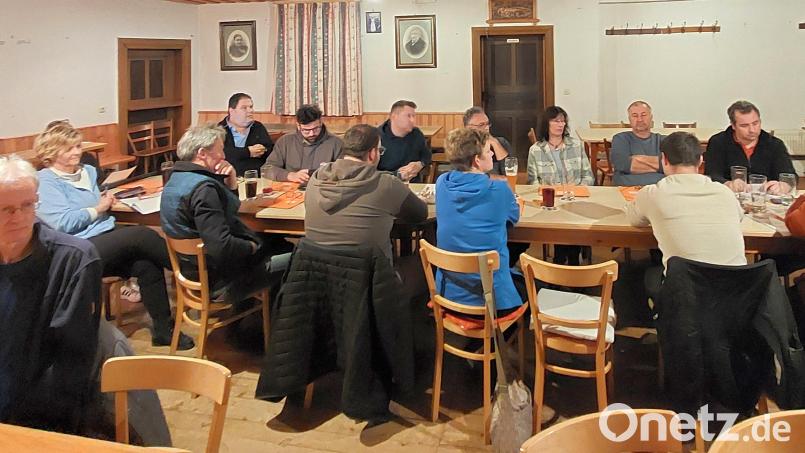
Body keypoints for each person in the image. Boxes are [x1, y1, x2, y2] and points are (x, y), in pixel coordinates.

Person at [34, 122, 193, 350]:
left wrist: (108, 202)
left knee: (144, 263)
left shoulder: (87, 172)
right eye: (69, 149)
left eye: (78, 146)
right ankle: (195, 271)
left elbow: (96, 204)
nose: (77, 152)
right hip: (76, 248)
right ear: (51, 152)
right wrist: (98, 208)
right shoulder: (45, 181)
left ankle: (163, 330)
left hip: (105, 235)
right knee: (141, 235)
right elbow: (63, 223)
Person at [0, 155, 101, 433]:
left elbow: (70, 363)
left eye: (28, 205)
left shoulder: (74, 259)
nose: (19, 218)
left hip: (38, 414)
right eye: (6, 209)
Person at [160, 124, 291, 304]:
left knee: (274, 242)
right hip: (219, 283)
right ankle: (272, 322)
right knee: (294, 256)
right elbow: (221, 246)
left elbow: (226, 215)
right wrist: (252, 246)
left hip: (192, 272)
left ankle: (253, 312)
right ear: (202, 153)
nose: (223, 156)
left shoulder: (175, 179)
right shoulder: (203, 189)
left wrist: (231, 183)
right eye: (220, 151)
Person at [305, 124, 429, 299]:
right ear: (372, 154)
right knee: (425, 260)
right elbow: (420, 214)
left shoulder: (316, 178)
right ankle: (408, 321)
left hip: (320, 280)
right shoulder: (386, 184)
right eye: (380, 150)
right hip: (373, 283)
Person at [626, 132, 746, 299]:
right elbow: (739, 217)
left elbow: (633, 219)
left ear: (664, 160)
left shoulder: (654, 193)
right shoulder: (724, 192)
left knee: (643, 274)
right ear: (700, 160)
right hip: (737, 296)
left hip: (686, 298)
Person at [435, 128, 524, 313]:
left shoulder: (442, 183)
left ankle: (475, 339)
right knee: (533, 287)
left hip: (448, 295)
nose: (492, 153)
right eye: (487, 150)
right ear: (477, 160)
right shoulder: (499, 190)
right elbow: (514, 216)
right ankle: (496, 338)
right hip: (493, 299)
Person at [527, 105, 594, 265]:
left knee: (573, 219)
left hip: (575, 198)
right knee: (559, 222)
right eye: (555, 121)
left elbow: (588, 176)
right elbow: (533, 181)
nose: (560, 125)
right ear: (546, 124)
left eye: (563, 121)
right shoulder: (536, 150)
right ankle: (566, 261)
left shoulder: (576, 146)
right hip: (550, 202)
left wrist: (575, 191)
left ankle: (565, 262)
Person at [704, 100, 795, 195]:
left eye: (755, 123)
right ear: (733, 126)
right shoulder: (718, 142)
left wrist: (783, 186)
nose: (752, 130)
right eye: (744, 126)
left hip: (767, 198)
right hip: (731, 197)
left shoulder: (774, 144)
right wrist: (728, 184)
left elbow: (789, 175)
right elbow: (711, 175)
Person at [263, 104, 342, 184]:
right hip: (291, 190)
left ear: (321, 122)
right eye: (306, 130)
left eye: (316, 128)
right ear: (298, 125)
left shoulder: (336, 143)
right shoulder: (285, 141)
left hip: (322, 189)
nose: (311, 133)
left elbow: (343, 172)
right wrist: (290, 175)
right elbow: (267, 169)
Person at [218, 92, 274, 176]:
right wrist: (248, 152)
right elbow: (220, 153)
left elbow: (271, 151)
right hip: (227, 178)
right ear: (232, 111)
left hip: (255, 178)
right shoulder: (219, 129)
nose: (250, 110)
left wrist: (263, 150)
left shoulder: (258, 127)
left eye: (251, 107)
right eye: (244, 108)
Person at [611, 100, 665, 186]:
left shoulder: (664, 140)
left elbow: (673, 166)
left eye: (643, 115)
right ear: (629, 119)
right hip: (627, 189)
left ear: (651, 117)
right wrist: (659, 164)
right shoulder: (620, 139)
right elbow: (622, 164)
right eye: (635, 116)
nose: (640, 119)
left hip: (659, 190)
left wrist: (636, 160)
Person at [378, 100, 432, 182]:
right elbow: (370, 172)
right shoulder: (376, 137)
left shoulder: (416, 134)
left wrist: (420, 164)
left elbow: (427, 156)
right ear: (394, 116)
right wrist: (397, 175)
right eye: (408, 116)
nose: (413, 120)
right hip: (385, 183)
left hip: (413, 184)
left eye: (414, 116)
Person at [464, 106, 512, 175]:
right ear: (468, 127)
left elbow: (509, 172)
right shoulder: (463, 147)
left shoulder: (501, 142)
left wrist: (495, 143)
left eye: (487, 124)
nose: (487, 128)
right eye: (481, 125)